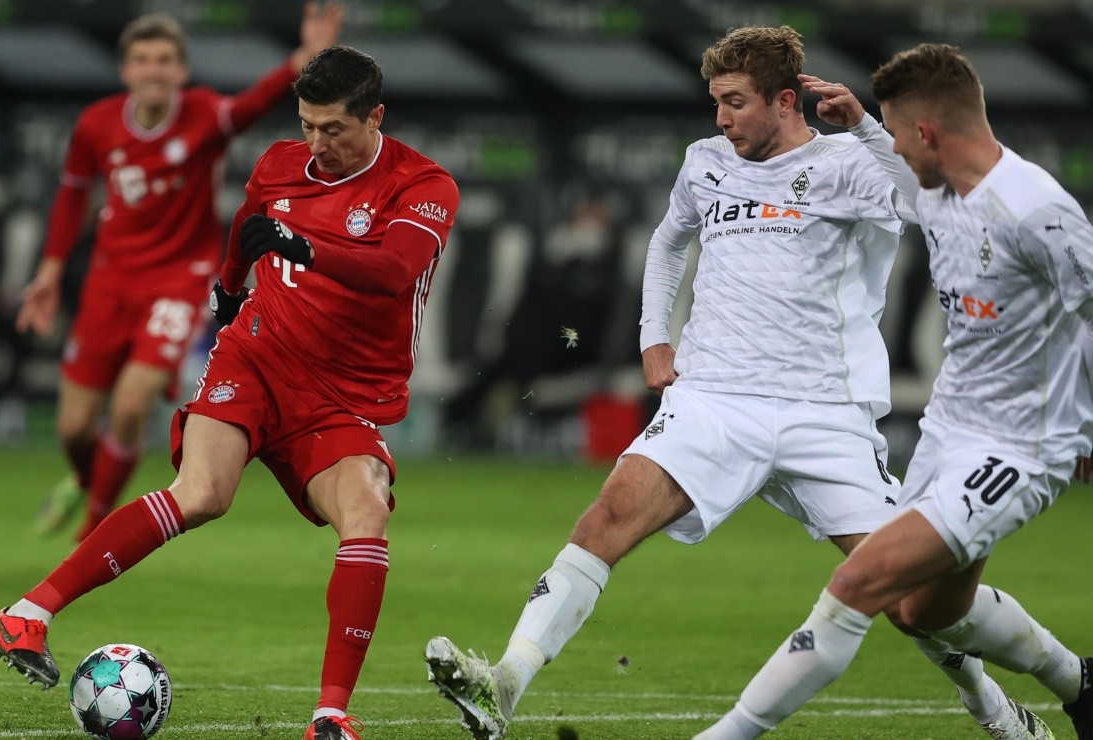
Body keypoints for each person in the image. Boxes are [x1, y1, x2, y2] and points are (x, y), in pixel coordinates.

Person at [423, 26, 1055, 740]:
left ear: (786, 101)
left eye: (734, 102)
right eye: (715, 102)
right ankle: (505, 683)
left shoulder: (846, 165)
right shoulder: (705, 163)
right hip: (715, 399)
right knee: (605, 520)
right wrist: (654, 337)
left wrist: (871, 130)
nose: (720, 119)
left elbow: (926, 201)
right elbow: (668, 241)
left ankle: (995, 708)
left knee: (907, 593)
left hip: (826, 411)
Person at [0, 45, 460, 740]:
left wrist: (304, 249)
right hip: (258, 358)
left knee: (367, 512)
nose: (316, 145)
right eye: (307, 126)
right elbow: (248, 226)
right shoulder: (278, 163)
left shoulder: (423, 185)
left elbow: (393, 270)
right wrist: (230, 293)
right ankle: (25, 616)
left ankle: (330, 716)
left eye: (333, 130)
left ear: (375, 116)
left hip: (344, 396)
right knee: (201, 493)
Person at [693, 43, 1093, 740]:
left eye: (901, 137)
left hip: (1021, 445)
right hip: (949, 430)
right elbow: (898, 188)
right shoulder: (937, 191)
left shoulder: (1037, 213)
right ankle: (1080, 684)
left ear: (930, 135)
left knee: (857, 586)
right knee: (918, 611)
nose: (895, 153)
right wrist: (866, 127)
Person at [22, 2, 344, 542]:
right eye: (143, 59)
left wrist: (301, 61)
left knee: (129, 405)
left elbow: (248, 106)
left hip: (179, 278)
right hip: (110, 280)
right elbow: (72, 196)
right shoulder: (97, 125)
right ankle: (84, 478)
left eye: (165, 60)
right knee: (74, 427)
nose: (153, 69)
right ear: (126, 69)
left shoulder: (202, 115)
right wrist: (50, 273)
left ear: (181, 70)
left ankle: (97, 526)